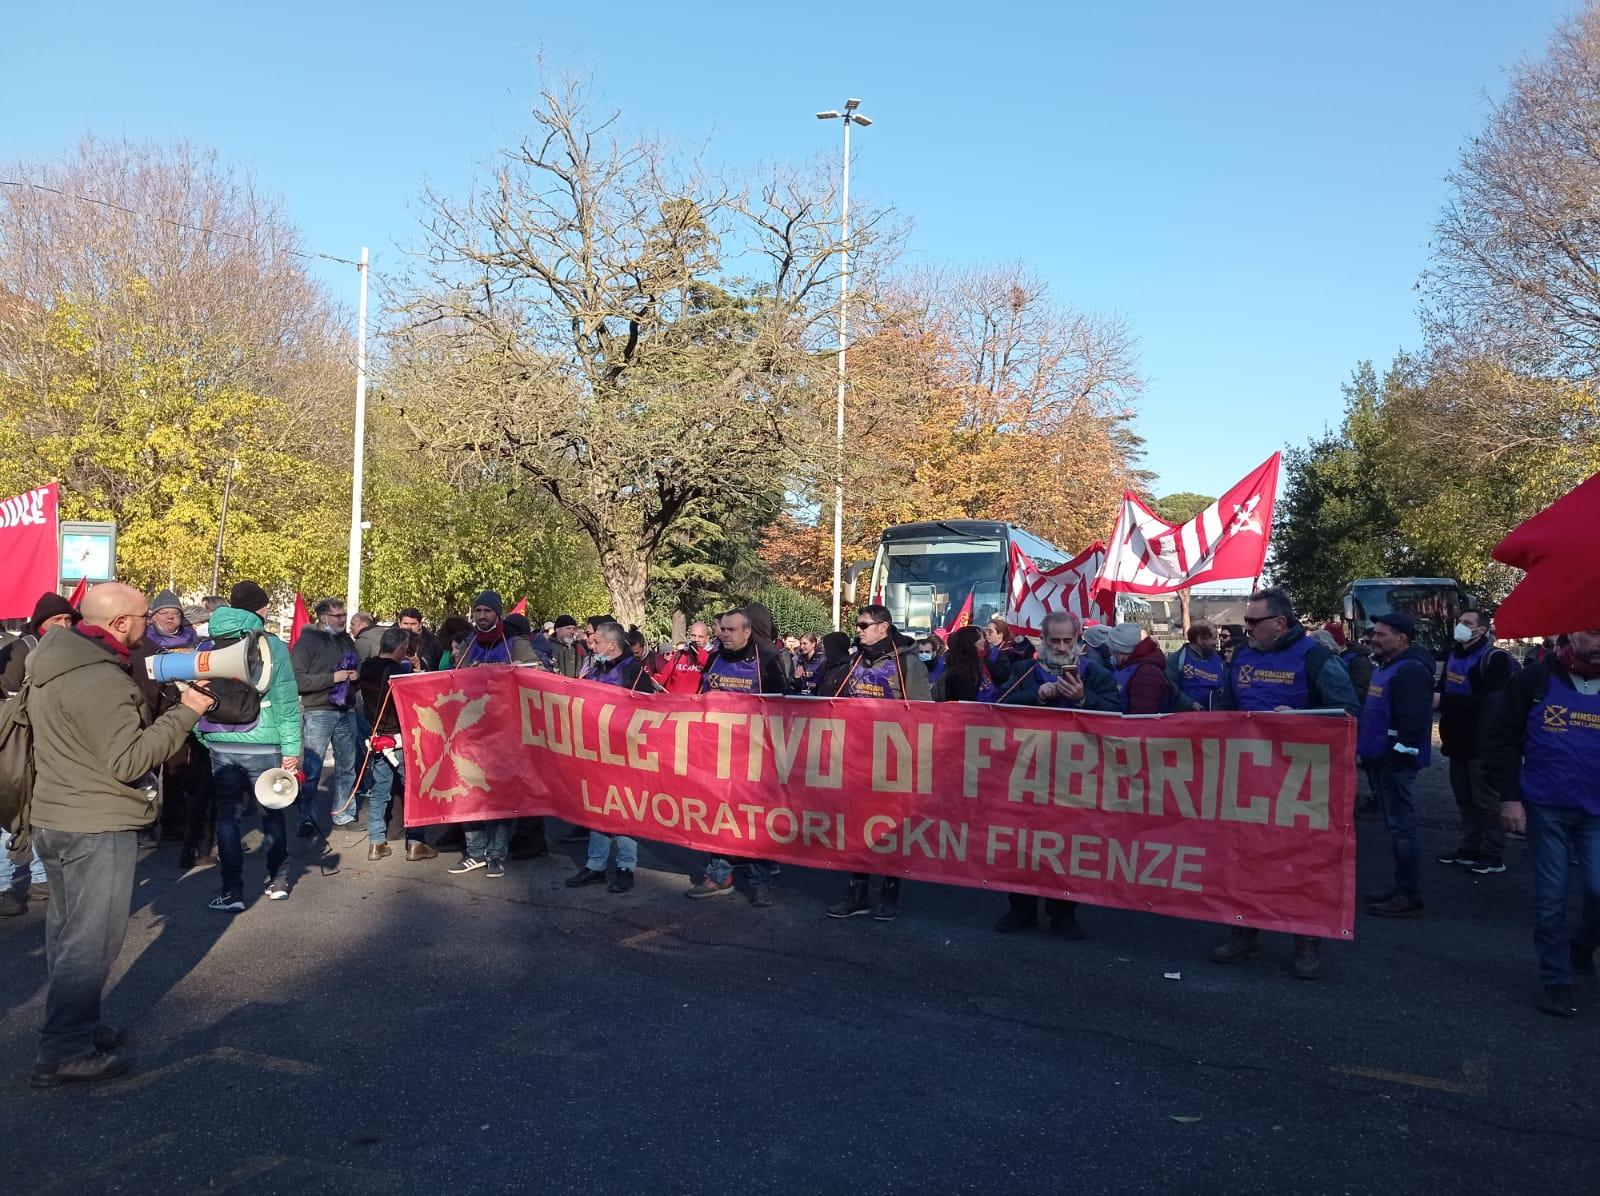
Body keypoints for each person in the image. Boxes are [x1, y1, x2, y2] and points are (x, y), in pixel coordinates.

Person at [25, 583, 213, 1087]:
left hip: (57, 815)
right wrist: (187, 712)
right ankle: (63, 1049)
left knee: (67, 935)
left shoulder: (54, 659)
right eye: (141, 616)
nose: (147, 622)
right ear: (121, 623)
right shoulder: (100, 679)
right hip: (95, 823)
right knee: (92, 943)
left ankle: (76, 1028)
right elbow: (128, 759)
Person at [1211, 586, 1360, 979]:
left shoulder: (1316, 658)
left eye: (1253, 622)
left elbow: (1348, 713)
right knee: (1245, 857)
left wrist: (1300, 720)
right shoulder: (1242, 655)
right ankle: (1243, 931)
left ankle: (1306, 941)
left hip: (1301, 782)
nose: (1247, 629)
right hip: (1247, 779)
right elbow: (1228, 707)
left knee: (1302, 862)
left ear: (1279, 623)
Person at [1485, 630, 1600, 1016]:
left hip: (1596, 812)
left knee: (1598, 892)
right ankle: (1556, 980)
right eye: (1597, 633)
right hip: (1545, 807)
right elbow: (1503, 738)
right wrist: (1510, 797)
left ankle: (1582, 946)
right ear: (1576, 633)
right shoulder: (1534, 680)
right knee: (1551, 899)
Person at [993, 611, 1117, 939]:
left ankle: (1063, 910)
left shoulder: (1097, 674)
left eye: (1068, 640)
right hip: (1026, 773)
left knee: (1068, 846)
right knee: (1020, 842)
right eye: (1055, 641)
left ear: (1078, 639)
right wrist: (1036, 696)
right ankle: (1020, 907)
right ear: (1043, 641)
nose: (1062, 647)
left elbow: (1121, 716)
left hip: (1075, 777)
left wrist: (1082, 699)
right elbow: (996, 706)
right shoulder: (1023, 671)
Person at [194, 582, 304, 911]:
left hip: (220, 741)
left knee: (228, 819)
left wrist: (204, 736)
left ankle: (232, 891)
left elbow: (196, 695)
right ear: (259, 609)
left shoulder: (208, 645)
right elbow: (285, 701)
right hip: (264, 741)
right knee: (272, 814)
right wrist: (292, 750)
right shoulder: (272, 646)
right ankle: (279, 879)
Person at [825, 604, 930, 922]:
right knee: (856, 824)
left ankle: (889, 893)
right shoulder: (856, 659)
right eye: (858, 624)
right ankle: (857, 892)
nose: (858, 629)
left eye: (864, 624)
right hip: (856, 757)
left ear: (883, 627)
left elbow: (923, 712)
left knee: (888, 826)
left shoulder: (907, 662)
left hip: (893, 758)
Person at [684, 610, 788, 906]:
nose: (723, 634)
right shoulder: (716, 657)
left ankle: (761, 881)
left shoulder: (766, 659)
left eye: (730, 630)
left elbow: (784, 707)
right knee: (719, 815)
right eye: (722, 630)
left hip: (756, 756)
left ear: (747, 631)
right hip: (718, 754)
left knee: (756, 820)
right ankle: (719, 875)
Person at [1358, 613, 1437, 918]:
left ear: (1401, 639)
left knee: (1403, 828)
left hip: (1394, 763)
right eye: (1374, 633)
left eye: (1381, 634)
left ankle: (1409, 895)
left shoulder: (1411, 671)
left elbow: (1413, 723)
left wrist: (1397, 758)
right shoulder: (1389, 666)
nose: (1373, 638)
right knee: (1396, 827)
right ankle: (1402, 889)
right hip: (1382, 759)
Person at [562, 623, 647, 894]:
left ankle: (625, 867)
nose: (591, 644)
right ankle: (596, 866)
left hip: (624, 753)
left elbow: (649, 710)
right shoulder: (596, 667)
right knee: (596, 808)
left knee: (622, 809)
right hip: (594, 751)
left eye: (596, 641)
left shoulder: (633, 670)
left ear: (612, 645)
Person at [1435, 610, 1519, 875]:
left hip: (1482, 740)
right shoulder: (1453, 655)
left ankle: (1493, 854)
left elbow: (1490, 701)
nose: (1460, 627)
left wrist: (1444, 702)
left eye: (1467, 623)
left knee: (1486, 800)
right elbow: (1444, 688)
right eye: (1460, 622)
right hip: (1456, 737)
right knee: (1464, 798)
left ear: (1481, 630)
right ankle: (1470, 847)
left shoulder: (1495, 659)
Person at [357, 627, 437, 862]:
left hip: (378, 740)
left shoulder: (367, 667)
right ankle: (416, 843)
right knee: (414, 791)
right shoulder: (398, 675)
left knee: (379, 792)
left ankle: (376, 842)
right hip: (401, 741)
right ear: (401, 649)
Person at [291, 596, 361, 835]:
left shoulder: (346, 640)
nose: (343, 620)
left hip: (346, 710)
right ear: (323, 617)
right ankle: (307, 818)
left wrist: (355, 676)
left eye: (344, 615)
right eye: (338, 616)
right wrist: (332, 679)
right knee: (312, 769)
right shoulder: (306, 643)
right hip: (319, 711)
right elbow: (298, 680)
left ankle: (344, 814)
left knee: (347, 767)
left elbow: (357, 666)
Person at [1, 592, 80, 697]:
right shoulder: (20, 650)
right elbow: (7, 695)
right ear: (41, 621)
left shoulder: (77, 648)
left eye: (68, 619)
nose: (63, 625)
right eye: (56, 619)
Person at [457, 592, 541, 666]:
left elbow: (538, 671)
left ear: (498, 614)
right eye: (478, 611)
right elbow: (457, 675)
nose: (482, 616)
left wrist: (524, 667)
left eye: (487, 611)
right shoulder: (468, 644)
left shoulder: (515, 641)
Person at [1107, 623, 1169, 714]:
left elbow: (1142, 718)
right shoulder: (1136, 667)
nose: (1113, 656)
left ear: (1121, 651)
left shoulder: (1147, 674)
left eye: (1114, 652)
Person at [1167, 620, 1227, 711]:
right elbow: (1171, 688)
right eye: (1214, 638)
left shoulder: (1218, 660)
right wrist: (1190, 704)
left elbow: (1224, 686)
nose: (1216, 642)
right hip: (1186, 718)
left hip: (1213, 718)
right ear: (1199, 640)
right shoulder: (1178, 659)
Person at [932, 626, 1001, 702]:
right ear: (970, 642)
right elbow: (965, 701)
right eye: (980, 638)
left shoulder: (976, 663)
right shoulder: (963, 670)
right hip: (971, 711)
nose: (984, 640)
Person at [653, 621, 711, 694]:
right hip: (672, 701)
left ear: (707, 638)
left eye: (700, 637)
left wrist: (699, 653)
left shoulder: (710, 657)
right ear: (689, 635)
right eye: (693, 636)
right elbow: (662, 678)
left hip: (693, 703)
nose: (696, 640)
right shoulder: (679, 654)